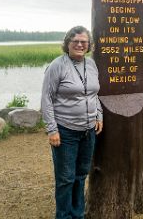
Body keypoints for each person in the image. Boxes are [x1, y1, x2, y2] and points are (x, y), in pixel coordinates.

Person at [41, 25, 103, 219]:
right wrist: (52, 129)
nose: (79, 44)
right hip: (65, 131)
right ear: (67, 44)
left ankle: (78, 215)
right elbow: (46, 99)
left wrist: (98, 115)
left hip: (88, 132)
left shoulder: (91, 65)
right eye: (75, 41)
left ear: (88, 45)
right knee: (66, 178)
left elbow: (93, 94)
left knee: (81, 175)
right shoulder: (57, 65)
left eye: (83, 42)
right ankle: (63, 216)